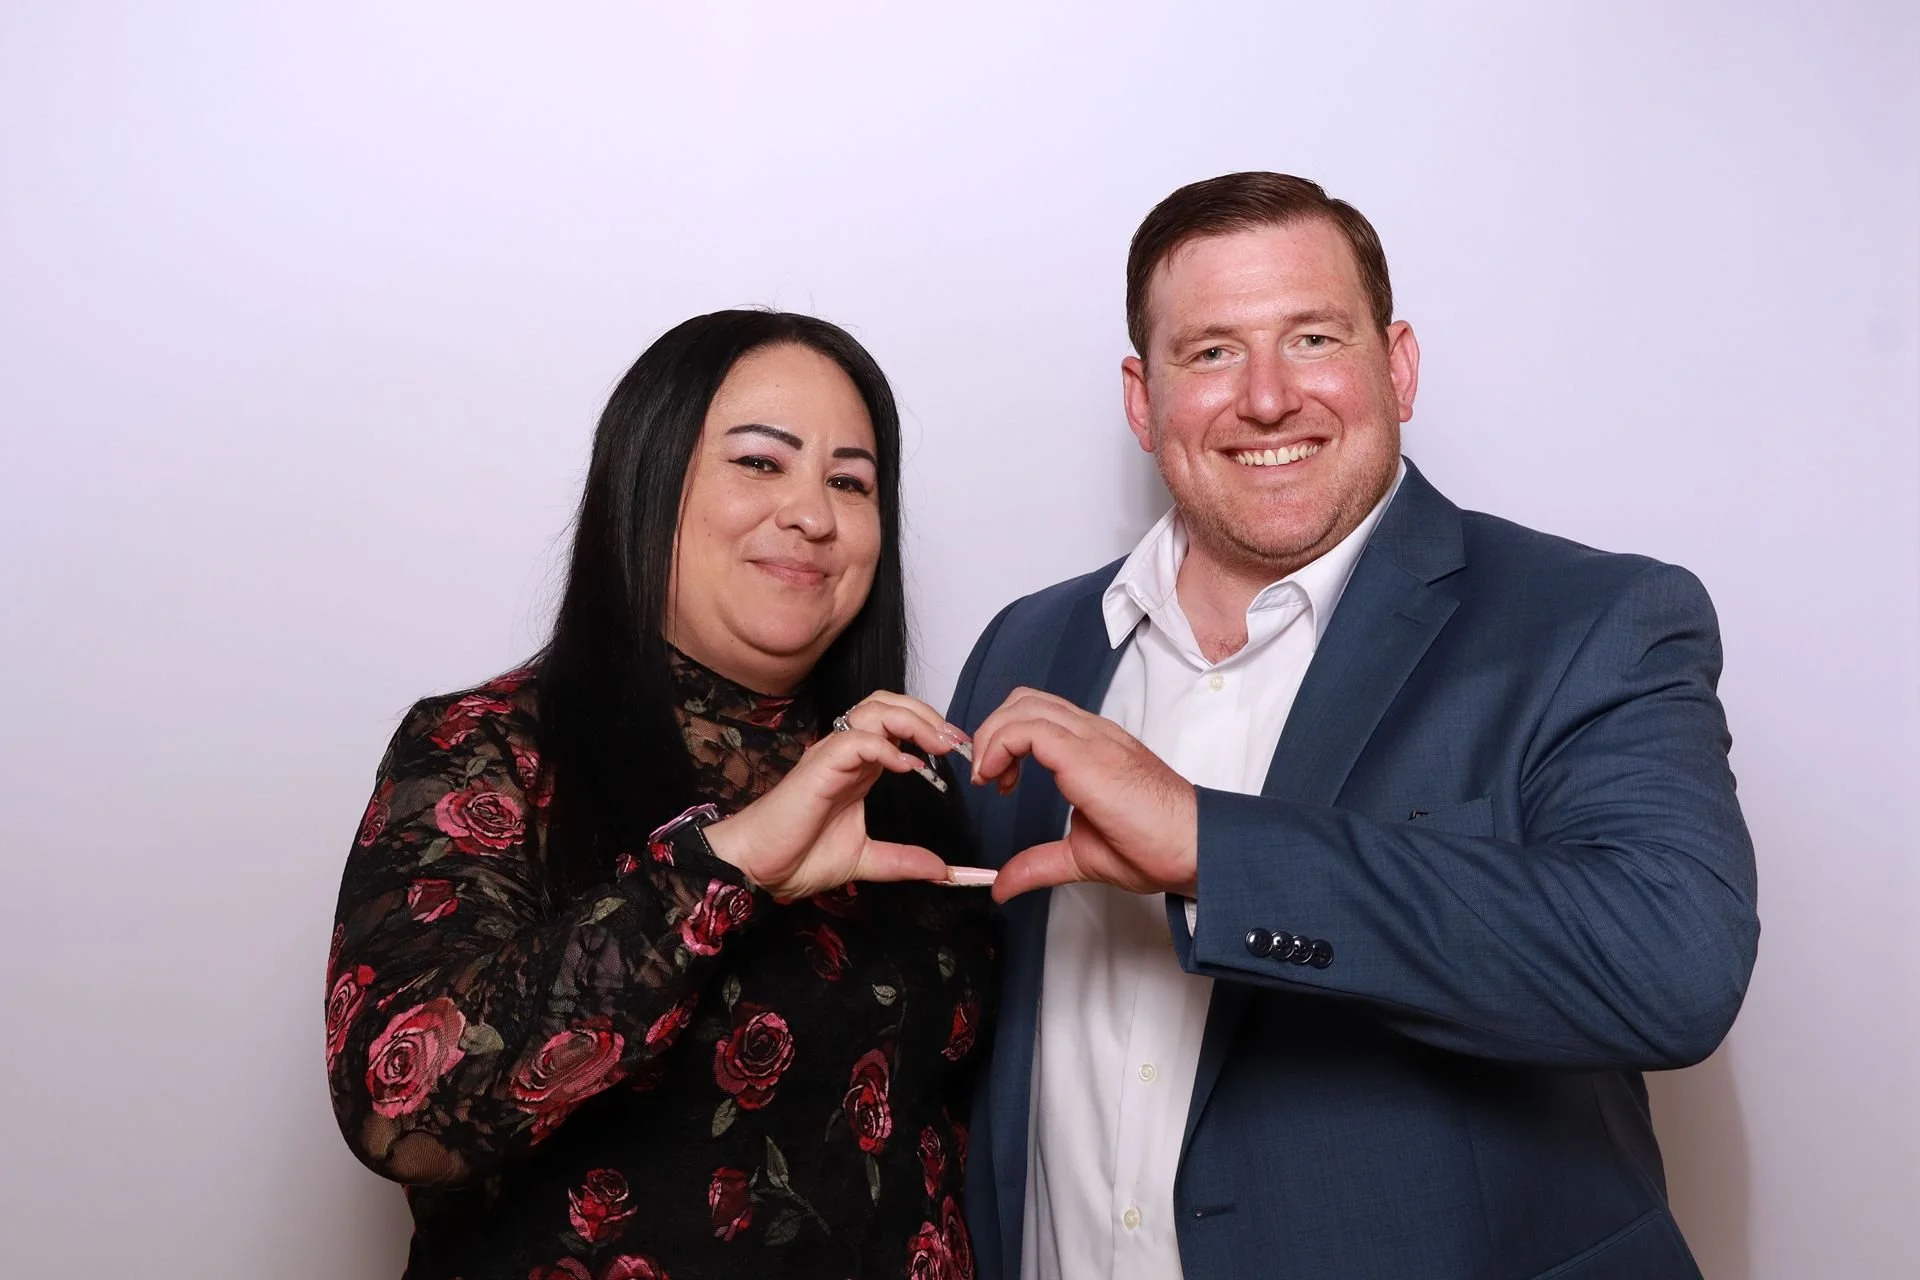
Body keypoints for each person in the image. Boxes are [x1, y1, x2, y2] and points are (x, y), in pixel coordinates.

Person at [948, 173, 1758, 1280]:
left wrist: (1211, 848)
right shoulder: (1027, 647)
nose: (1269, 398)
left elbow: (1674, 966)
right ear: (1143, 398)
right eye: (1212, 352)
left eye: (1314, 336)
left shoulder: (1589, 620)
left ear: (1398, 364)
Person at [326, 310, 993, 1280]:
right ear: (648, 483)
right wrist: (729, 866)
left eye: (850, 480)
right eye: (762, 463)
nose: (813, 512)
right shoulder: (487, 749)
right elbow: (405, 1112)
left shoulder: (903, 778)